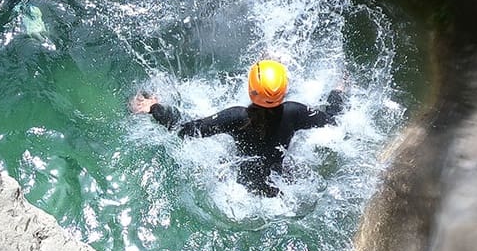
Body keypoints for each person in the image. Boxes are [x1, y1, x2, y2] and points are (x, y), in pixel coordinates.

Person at [130, 60, 346, 197]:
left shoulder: (237, 117)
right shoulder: (294, 112)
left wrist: (154, 108)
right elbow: (331, 120)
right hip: (280, 189)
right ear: (284, 91)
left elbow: (186, 130)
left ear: (251, 91)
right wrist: (337, 92)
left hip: (241, 193)